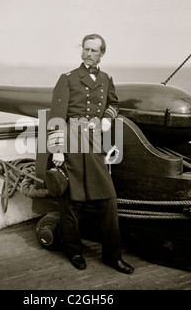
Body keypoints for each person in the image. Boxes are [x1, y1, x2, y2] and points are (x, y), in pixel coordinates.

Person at [47, 34, 134, 274]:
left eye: (94, 50)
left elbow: (114, 105)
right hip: (72, 141)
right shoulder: (68, 78)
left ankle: (112, 256)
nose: (89, 54)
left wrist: (107, 119)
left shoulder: (106, 79)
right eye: (86, 49)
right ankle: (74, 250)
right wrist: (57, 150)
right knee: (72, 202)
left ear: (102, 54)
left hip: (95, 142)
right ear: (81, 51)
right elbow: (56, 116)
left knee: (108, 200)